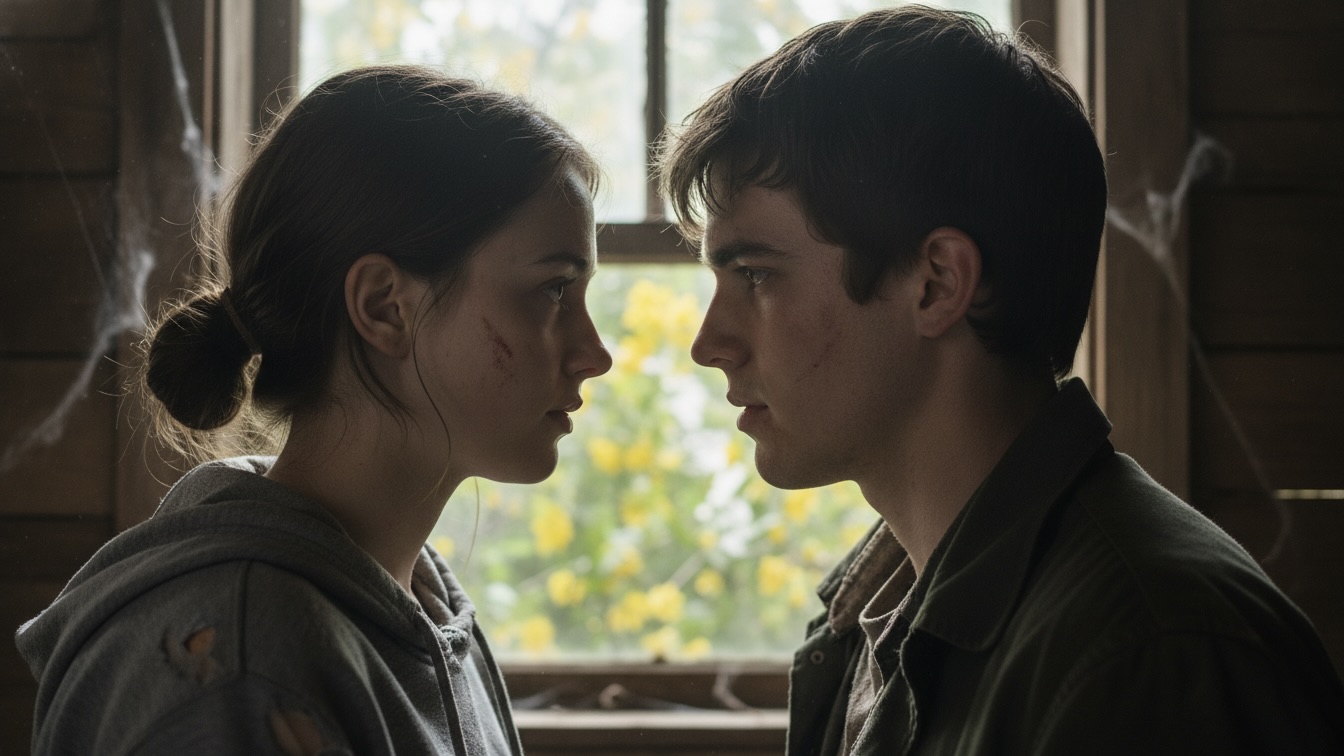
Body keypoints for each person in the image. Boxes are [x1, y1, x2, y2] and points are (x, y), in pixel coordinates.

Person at [659, 6, 1344, 755]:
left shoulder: (1155, 656)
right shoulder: (872, 618)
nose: (708, 343)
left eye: (755, 275)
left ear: (936, 284)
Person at [16, 65, 611, 755]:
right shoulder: (240, 660)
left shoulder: (425, 612)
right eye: (554, 290)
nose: (594, 353)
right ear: (385, 306)